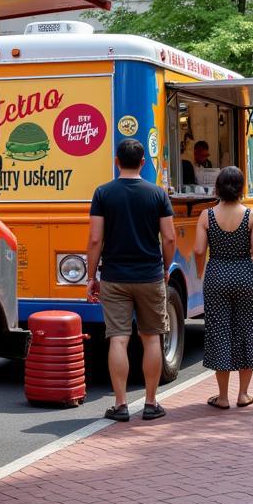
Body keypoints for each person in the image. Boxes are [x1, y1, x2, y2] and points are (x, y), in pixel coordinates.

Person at [86, 138, 176, 422]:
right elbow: (170, 237)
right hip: (150, 275)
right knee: (151, 339)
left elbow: (95, 238)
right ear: (142, 163)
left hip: (114, 276)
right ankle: (150, 403)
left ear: (116, 161)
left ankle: (121, 404)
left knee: (118, 339)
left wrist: (91, 275)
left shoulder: (103, 193)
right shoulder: (157, 194)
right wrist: (165, 266)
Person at [193, 166, 253, 409]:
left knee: (220, 333)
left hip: (216, 275)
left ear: (217, 187)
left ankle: (223, 396)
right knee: (247, 331)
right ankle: (243, 394)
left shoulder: (206, 216)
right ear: (240, 188)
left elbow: (198, 250)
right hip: (245, 276)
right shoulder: (252, 216)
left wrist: (200, 273)